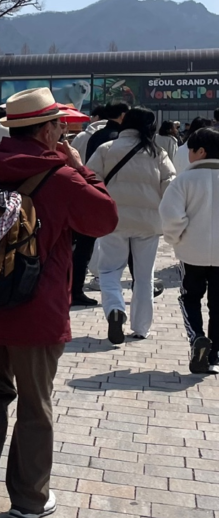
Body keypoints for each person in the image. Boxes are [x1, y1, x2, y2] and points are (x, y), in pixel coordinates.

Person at [0, 88, 117, 518]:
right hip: (37, 313)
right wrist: (83, 172)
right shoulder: (60, 177)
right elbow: (104, 219)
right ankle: (28, 499)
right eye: (59, 127)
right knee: (34, 401)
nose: (62, 134)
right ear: (46, 130)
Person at [86, 108, 175, 343]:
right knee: (145, 277)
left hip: (113, 220)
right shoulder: (158, 153)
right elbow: (170, 186)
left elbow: (90, 182)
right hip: (148, 223)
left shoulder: (106, 150)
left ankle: (116, 309)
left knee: (109, 270)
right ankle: (141, 327)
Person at [159, 127, 219, 373]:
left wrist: (176, 239)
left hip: (191, 251)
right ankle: (214, 354)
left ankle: (197, 338)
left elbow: (171, 217)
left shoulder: (184, 180)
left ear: (201, 151)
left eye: (190, 150)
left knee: (190, 297)